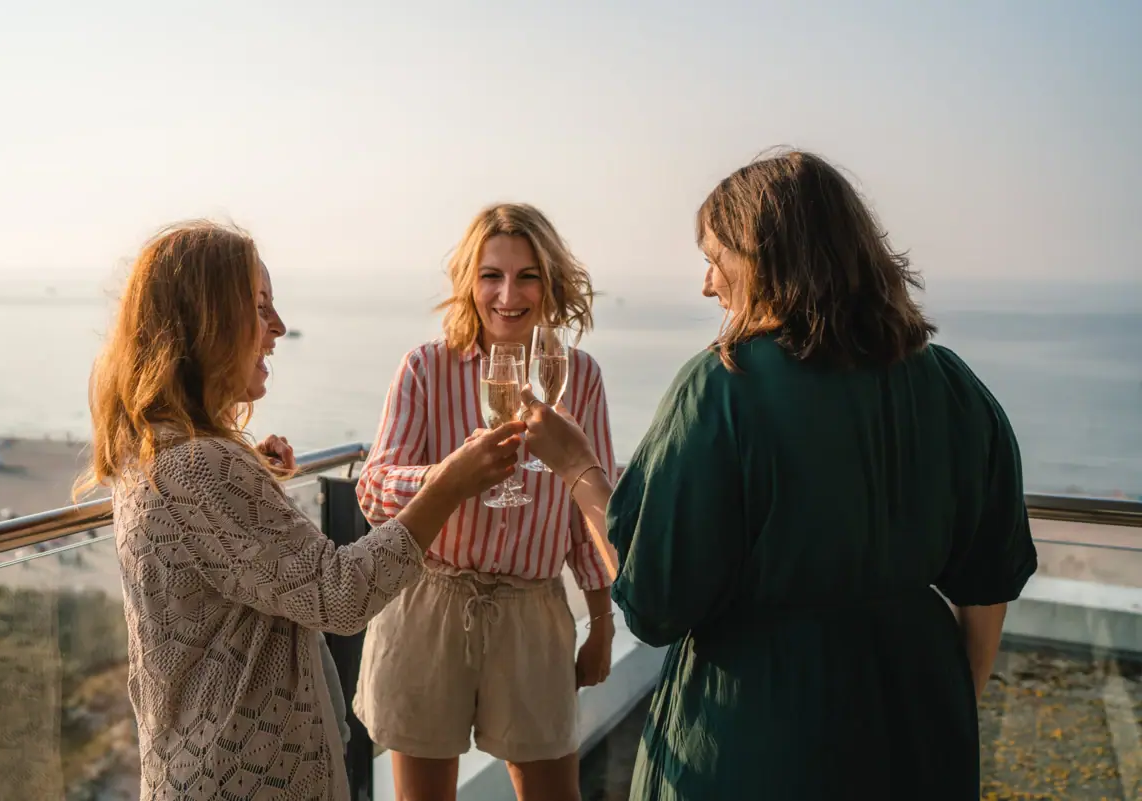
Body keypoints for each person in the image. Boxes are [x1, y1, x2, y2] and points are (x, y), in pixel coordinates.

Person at [519, 150, 1038, 800]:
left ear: (764, 259)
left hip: (754, 728)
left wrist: (576, 466)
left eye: (715, 258)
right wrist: (946, 701)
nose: (707, 283)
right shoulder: (953, 387)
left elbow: (651, 598)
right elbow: (990, 579)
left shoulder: (723, 388)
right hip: (919, 725)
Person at [77, 220, 524, 801]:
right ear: (206, 322)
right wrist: (446, 485)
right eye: (260, 306)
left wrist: (253, 478)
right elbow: (341, 594)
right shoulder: (201, 468)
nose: (278, 328)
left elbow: (221, 561)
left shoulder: (156, 450)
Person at [355, 202, 617, 801]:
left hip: (533, 613)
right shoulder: (424, 367)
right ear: (469, 282)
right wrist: (451, 477)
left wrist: (600, 622)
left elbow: (586, 517)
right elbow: (372, 491)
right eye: (491, 275)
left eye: (527, 276)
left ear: (549, 284)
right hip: (429, 605)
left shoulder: (581, 377)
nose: (508, 294)